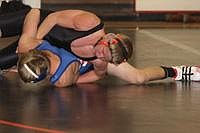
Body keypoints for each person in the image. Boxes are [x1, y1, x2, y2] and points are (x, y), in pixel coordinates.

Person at [1, 1, 200, 87]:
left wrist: (75, 79)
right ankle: (15, 9)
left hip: (43, 51)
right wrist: (34, 41)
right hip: (42, 26)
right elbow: (53, 17)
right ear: (108, 36)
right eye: (103, 50)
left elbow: (99, 74)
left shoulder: (104, 59)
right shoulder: (89, 23)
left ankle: (179, 71)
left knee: (137, 78)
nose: (100, 54)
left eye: (106, 57)